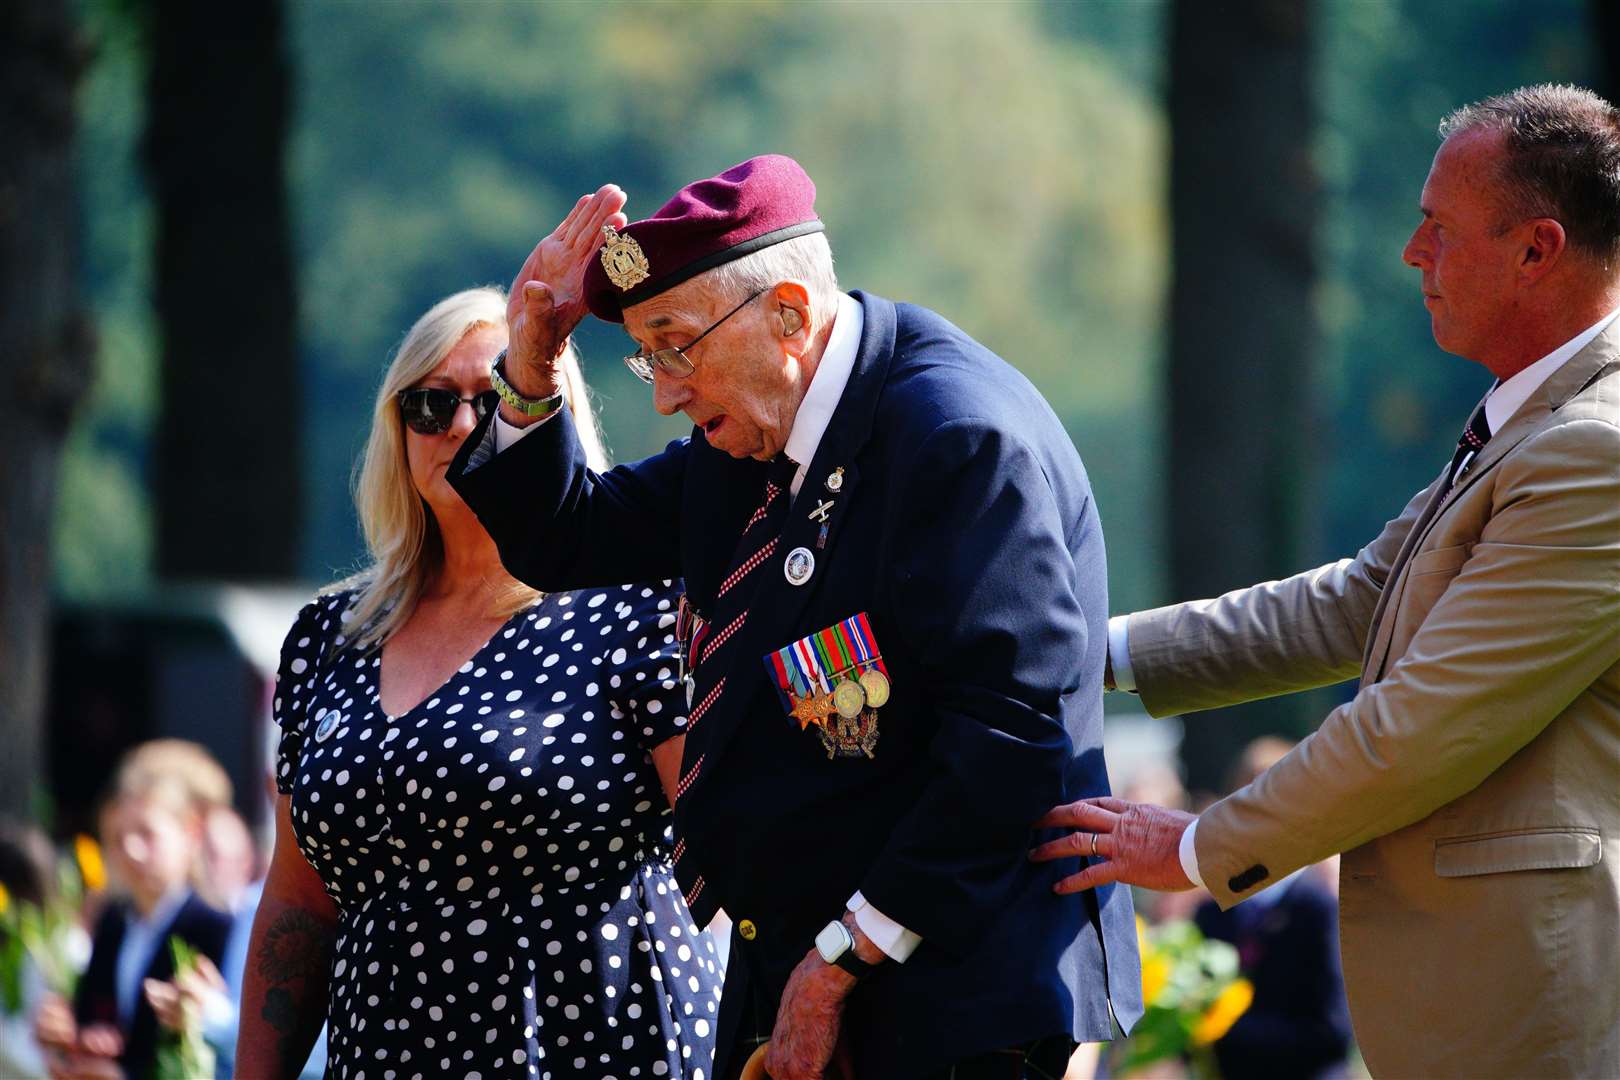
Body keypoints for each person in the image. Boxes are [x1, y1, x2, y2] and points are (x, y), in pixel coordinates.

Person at [447, 157, 1142, 1079]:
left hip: (951, 994)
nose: (663, 391)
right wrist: (531, 360)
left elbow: (1011, 741)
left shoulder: (955, 437)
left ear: (787, 313)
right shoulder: (758, 426)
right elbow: (568, 539)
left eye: (677, 346)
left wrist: (843, 961)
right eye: (648, 354)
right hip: (805, 970)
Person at [1034, 84, 1620, 1078]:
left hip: (1534, 1005)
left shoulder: (1590, 450)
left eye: (1438, 227)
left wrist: (1195, 846)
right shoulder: (1533, 426)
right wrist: (1089, 653)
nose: (1411, 253)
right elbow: (1352, 604)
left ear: (1538, 250)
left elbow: (1422, 726)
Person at [236, 287, 721, 1079]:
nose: (461, 426)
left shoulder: (629, 605)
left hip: (597, 1052)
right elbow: (299, 904)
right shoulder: (327, 639)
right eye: (430, 406)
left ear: (549, 413)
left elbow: (733, 842)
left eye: (493, 397)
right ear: (396, 431)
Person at [43, 770, 232, 1080]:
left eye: (147, 834)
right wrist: (81, 1037)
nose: (130, 850)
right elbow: (94, 1012)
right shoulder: (113, 921)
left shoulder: (216, 927)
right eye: (117, 838)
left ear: (191, 834)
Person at [1191, 738, 1351, 1080]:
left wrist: (1229, 1028)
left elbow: (1334, 1030)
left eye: (1273, 804)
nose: (1259, 821)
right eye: (1246, 805)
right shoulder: (1210, 914)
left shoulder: (1319, 910)